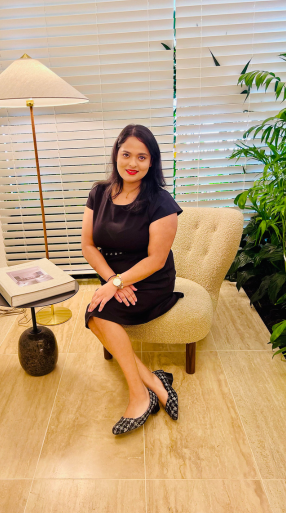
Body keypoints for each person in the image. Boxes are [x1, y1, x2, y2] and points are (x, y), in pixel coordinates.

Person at [81, 124, 184, 435]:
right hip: (117, 275)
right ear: (116, 154)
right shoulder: (98, 193)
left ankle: (140, 397)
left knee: (95, 312)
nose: (132, 163)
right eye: (126, 154)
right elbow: (88, 245)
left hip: (150, 278)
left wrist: (117, 284)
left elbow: (155, 259)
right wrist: (113, 280)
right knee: (95, 314)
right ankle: (151, 383)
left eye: (142, 157)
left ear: (151, 162)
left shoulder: (161, 202)